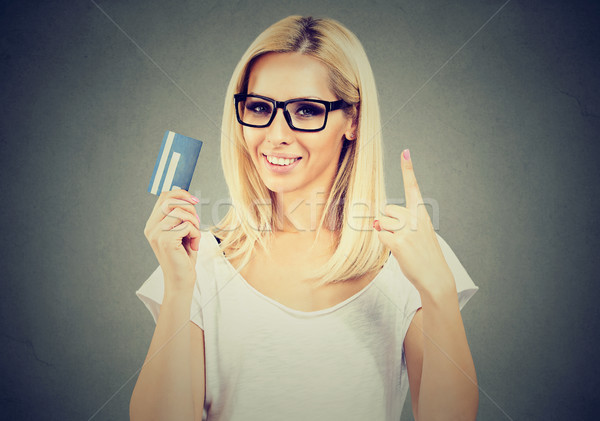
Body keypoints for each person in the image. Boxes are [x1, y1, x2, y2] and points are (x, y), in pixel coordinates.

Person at [131, 15, 479, 421]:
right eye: (259, 107)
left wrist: (437, 288)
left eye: (307, 110)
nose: (276, 134)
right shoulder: (197, 262)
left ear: (353, 120)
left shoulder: (409, 258)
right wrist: (178, 287)